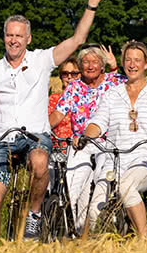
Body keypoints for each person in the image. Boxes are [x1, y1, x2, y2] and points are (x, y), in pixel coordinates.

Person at [0, 0, 112, 239]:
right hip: (1, 140)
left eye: (19, 35)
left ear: (28, 38)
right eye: (9, 35)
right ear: (3, 37)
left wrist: (92, 4)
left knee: (40, 162)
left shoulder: (41, 60)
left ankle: (35, 214)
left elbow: (77, 40)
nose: (13, 40)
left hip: (34, 137)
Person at [80, 41, 147, 237]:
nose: (132, 65)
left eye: (137, 60)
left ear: (146, 64)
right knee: (93, 210)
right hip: (113, 161)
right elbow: (98, 123)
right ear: (123, 64)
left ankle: (143, 241)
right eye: (128, 60)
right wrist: (84, 137)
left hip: (145, 159)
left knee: (126, 186)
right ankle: (93, 249)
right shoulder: (112, 94)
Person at [49, 43, 125, 233]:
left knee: (103, 182)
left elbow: (136, 85)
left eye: (95, 62)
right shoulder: (74, 87)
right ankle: (77, 231)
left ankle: (101, 224)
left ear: (102, 65)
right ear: (80, 66)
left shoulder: (114, 82)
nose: (90, 66)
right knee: (72, 187)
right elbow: (58, 113)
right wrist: (42, 127)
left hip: (107, 144)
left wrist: (116, 65)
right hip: (80, 144)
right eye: (85, 62)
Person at [47, 57, 80, 149]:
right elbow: (44, 126)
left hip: (81, 149)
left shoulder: (88, 100)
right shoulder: (53, 99)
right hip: (58, 149)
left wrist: (113, 67)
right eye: (65, 74)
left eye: (74, 74)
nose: (69, 77)